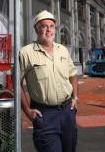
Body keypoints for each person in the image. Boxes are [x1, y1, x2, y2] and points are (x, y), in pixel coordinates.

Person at [19, 10, 79, 152]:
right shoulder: (26, 53)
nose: (48, 30)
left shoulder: (63, 50)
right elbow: (17, 83)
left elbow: (73, 74)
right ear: (36, 29)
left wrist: (75, 97)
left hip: (67, 112)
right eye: (44, 26)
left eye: (51, 26)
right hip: (45, 115)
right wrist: (27, 110)